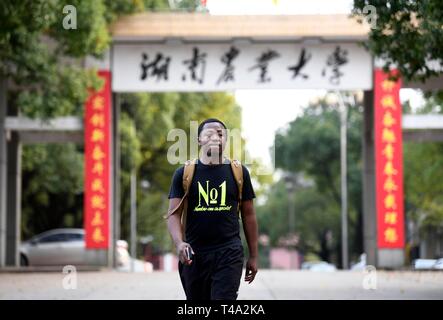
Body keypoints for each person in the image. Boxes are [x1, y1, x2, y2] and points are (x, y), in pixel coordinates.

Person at [166, 118, 259, 300]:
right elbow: (173, 214)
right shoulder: (184, 173)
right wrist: (179, 243)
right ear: (199, 140)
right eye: (209, 134)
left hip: (229, 252)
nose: (215, 137)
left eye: (220, 134)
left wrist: (254, 255)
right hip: (194, 255)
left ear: (226, 139)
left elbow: (249, 215)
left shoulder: (238, 172)